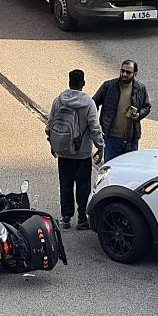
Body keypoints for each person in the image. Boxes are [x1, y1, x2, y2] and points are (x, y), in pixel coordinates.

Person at [46, 69, 105, 230]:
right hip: (83, 153)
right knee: (83, 185)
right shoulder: (88, 103)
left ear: (69, 82)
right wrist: (100, 147)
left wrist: (53, 143)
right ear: (83, 83)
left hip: (63, 152)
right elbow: (94, 127)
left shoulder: (59, 100)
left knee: (65, 184)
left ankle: (66, 218)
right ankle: (81, 218)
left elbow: (50, 124)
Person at [93, 60, 151, 162]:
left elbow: (147, 107)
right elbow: (93, 104)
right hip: (111, 139)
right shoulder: (108, 86)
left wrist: (139, 114)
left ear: (135, 74)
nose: (124, 74)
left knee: (129, 172)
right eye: (122, 71)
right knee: (110, 172)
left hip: (131, 140)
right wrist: (96, 126)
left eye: (128, 72)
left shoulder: (141, 88)